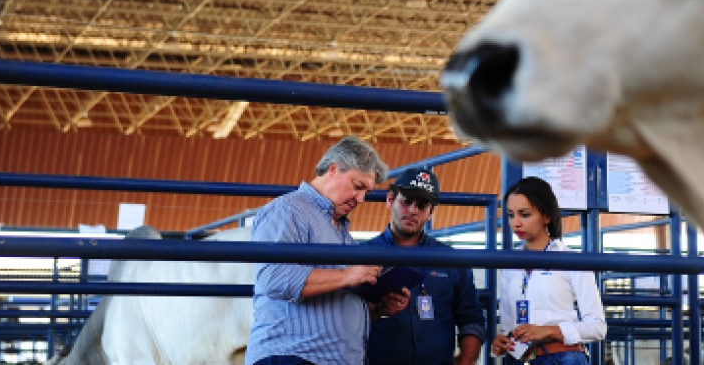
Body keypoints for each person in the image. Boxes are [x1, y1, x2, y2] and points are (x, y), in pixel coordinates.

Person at [247, 136, 407, 365]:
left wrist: (378, 309)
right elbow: (272, 277)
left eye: (367, 193)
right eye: (358, 186)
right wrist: (348, 275)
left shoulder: (343, 233)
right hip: (294, 356)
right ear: (333, 169)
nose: (361, 199)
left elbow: (336, 303)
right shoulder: (288, 210)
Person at [366, 167, 487, 365]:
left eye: (422, 205)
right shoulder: (362, 254)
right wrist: (377, 310)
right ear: (390, 200)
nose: (413, 210)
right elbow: (344, 320)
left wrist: (466, 362)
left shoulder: (451, 260)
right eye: (406, 201)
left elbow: (471, 319)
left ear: (430, 213)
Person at [491, 176, 606, 364]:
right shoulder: (510, 265)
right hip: (519, 360)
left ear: (546, 216)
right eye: (511, 215)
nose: (516, 223)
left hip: (564, 358)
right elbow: (507, 327)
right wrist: (502, 341)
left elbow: (598, 327)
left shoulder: (572, 260)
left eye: (525, 214)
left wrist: (548, 330)